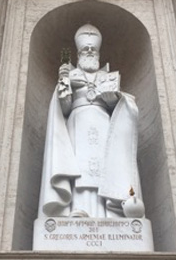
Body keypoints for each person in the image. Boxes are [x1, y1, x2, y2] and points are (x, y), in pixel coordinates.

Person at [38, 24, 142, 218]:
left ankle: (108, 214)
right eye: (85, 49)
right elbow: (64, 108)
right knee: (79, 170)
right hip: (77, 123)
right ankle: (78, 209)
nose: (89, 51)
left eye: (93, 49)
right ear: (78, 54)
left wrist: (112, 98)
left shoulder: (107, 76)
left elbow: (117, 108)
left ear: (98, 54)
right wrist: (63, 84)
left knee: (104, 169)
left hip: (104, 125)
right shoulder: (69, 74)